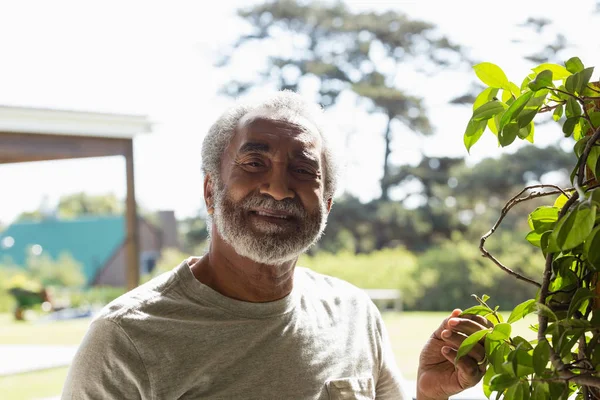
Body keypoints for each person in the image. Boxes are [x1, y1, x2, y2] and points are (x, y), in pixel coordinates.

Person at [62, 91, 489, 399]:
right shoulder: (127, 337)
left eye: (304, 170)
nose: (280, 189)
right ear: (211, 190)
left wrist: (429, 395)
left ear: (327, 202)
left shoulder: (354, 314)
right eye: (254, 163)